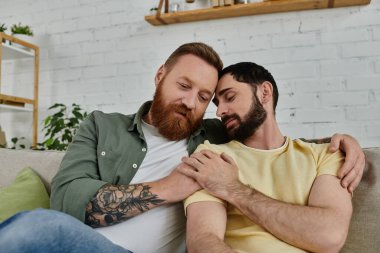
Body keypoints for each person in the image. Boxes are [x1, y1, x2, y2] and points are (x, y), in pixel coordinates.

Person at [0, 43, 364, 253]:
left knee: (33, 230)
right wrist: (166, 189)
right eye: (183, 85)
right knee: (40, 226)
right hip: (83, 245)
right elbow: (66, 201)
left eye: (205, 96)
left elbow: (266, 135)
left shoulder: (211, 139)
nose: (193, 102)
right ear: (160, 76)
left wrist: (344, 143)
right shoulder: (102, 125)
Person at [180, 62, 354, 253]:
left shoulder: (324, 155)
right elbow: (202, 242)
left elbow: (329, 237)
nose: (220, 111)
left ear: (264, 93)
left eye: (230, 97)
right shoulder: (212, 157)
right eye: (217, 103)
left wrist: (233, 188)